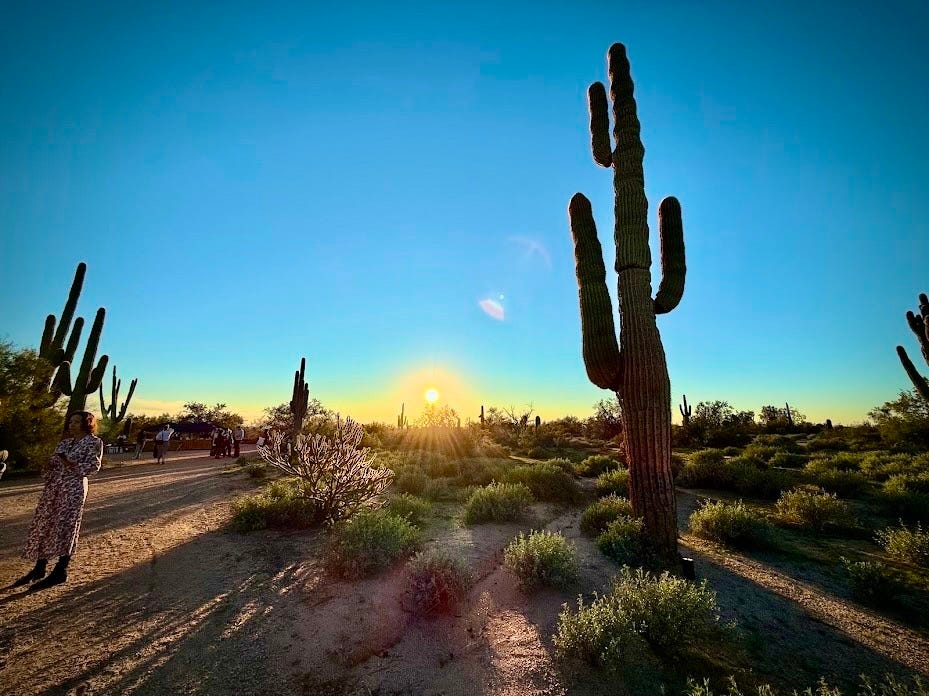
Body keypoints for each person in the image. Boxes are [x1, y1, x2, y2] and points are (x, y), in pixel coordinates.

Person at [10, 411, 103, 590]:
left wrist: (68, 464)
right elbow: (52, 464)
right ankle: (39, 567)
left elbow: (93, 466)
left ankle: (61, 569)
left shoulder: (94, 442)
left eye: (76, 422)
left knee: (66, 525)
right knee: (45, 523)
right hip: (54, 488)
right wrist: (47, 465)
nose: (72, 425)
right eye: (71, 422)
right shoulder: (65, 443)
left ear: (87, 423)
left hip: (73, 489)